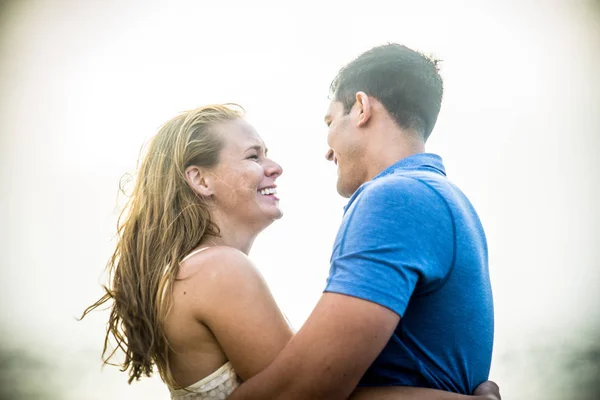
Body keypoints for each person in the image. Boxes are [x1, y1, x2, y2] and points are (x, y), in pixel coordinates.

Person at [81, 103, 499, 400]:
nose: (275, 166)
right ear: (200, 180)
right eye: (253, 155)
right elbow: (312, 392)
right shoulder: (219, 270)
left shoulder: (191, 272)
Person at [226, 44, 495, 400]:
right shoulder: (448, 200)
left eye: (330, 121)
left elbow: (305, 389)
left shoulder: (394, 198)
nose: (326, 150)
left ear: (362, 108)